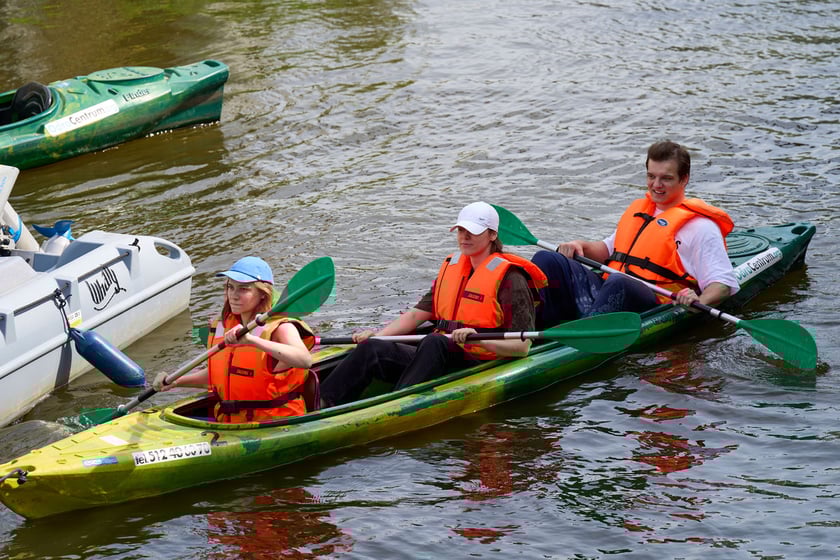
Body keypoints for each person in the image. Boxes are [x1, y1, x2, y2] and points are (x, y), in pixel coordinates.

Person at [319, 202, 547, 408]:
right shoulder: (453, 268)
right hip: (438, 353)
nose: (465, 237)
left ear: (492, 235)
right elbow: (416, 315)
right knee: (373, 347)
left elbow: (521, 347)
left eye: (473, 232)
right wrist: (377, 336)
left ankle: (397, 404)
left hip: (479, 360)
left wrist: (479, 339)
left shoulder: (511, 278)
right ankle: (321, 402)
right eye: (461, 230)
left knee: (435, 341)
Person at [532, 140, 739, 328]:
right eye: (651, 176)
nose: (656, 185)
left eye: (666, 178)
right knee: (547, 259)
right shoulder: (640, 211)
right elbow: (608, 250)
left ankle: (586, 335)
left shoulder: (701, 227)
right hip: (608, 290)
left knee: (619, 281)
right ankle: (532, 327)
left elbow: (722, 284)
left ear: (684, 179)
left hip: (651, 303)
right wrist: (580, 246)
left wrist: (698, 301)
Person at [153, 256, 316, 423]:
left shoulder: (280, 327)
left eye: (243, 289)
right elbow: (218, 375)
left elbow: (304, 360)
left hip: (275, 422)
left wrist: (252, 340)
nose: (234, 295)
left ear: (262, 294)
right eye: (230, 287)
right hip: (228, 421)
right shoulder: (223, 325)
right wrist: (176, 381)